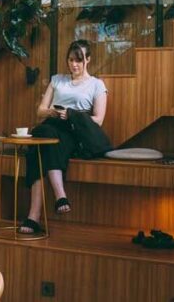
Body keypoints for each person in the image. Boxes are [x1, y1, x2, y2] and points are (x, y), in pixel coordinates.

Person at [18, 40, 108, 235]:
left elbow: (98, 120)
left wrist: (72, 115)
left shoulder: (96, 85)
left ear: (88, 60)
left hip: (74, 131)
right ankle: (60, 196)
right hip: (52, 124)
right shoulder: (57, 79)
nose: (74, 65)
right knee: (42, 133)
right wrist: (52, 112)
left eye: (79, 60)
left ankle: (34, 216)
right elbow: (40, 111)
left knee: (38, 147)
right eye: (70, 60)